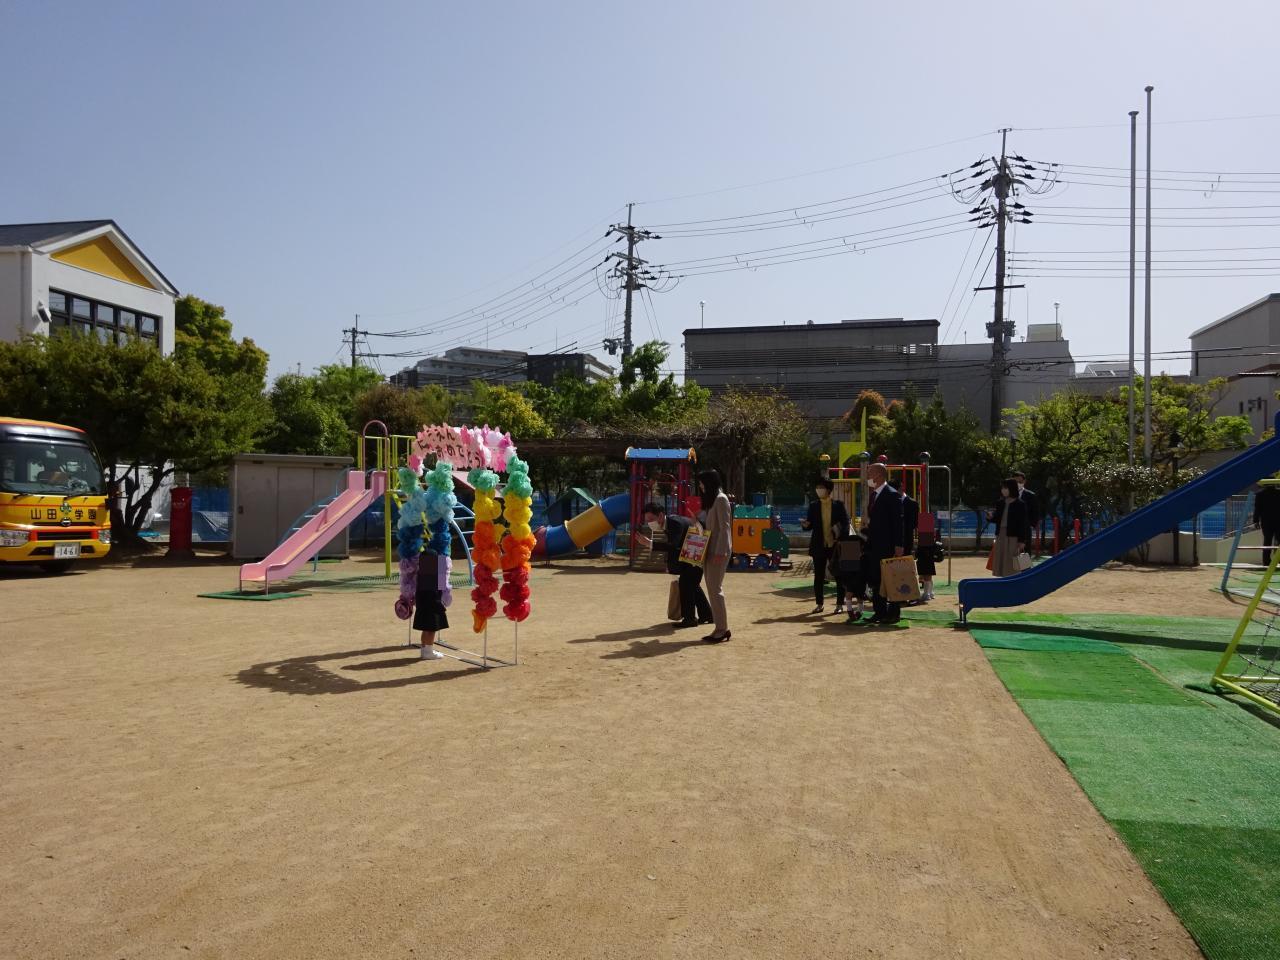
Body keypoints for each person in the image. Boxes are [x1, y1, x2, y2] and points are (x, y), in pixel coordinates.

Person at [639, 501, 712, 628]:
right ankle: (707, 615)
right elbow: (676, 547)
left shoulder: (674, 523)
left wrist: (650, 543)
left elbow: (673, 545)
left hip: (696, 550)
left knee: (686, 584)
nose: (649, 523)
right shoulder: (669, 523)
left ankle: (690, 619)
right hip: (693, 551)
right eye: (647, 520)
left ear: (660, 515)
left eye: (651, 519)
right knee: (692, 585)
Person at [860, 463, 905, 624]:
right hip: (874, 544)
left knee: (891, 579)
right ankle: (879, 612)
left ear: (878, 475)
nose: (867, 476)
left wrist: (898, 545)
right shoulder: (874, 495)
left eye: (870, 472)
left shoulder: (891, 494)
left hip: (888, 545)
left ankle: (894, 613)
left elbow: (898, 522)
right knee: (876, 579)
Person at [800, 477, 850, 615]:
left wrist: (840, 536)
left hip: (835, 545)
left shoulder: (838, 505)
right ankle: (819, 604)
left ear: (828, 489)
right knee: (819, 576)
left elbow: (846, 523)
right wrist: (805, 525)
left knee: (839, 575)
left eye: (821, 487)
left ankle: (839, 604)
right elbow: (809, 525)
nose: (818, 490)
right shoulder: (813, 505)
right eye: (817, 487)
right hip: (819, 545)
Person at [698, 469, 733, 643]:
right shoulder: (713, 500)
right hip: (709, 548)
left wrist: (721, 552)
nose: (700, 486)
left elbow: (725, 527)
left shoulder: (721, 499)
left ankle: (722, 629)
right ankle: (719, 627)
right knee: (712, 589)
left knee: (715, 589)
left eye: (702, 482)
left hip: (718, 551)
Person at [990, 478, 1031, 578]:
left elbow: (1022, 523)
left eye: (1005, 488)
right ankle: (1002, 578)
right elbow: (997, 519)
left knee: (1011, 558)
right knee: (1001, 556)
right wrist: (990, 517)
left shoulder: (1020, 504)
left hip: (1013, 536)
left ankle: (1012, 579)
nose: (1003, 490)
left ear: (1011, 488)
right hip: (1001, 534)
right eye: (1002, 488)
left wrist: (1022, 540)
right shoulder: (1000, 502)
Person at [414, 549, 449, 661]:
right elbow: (434, 593)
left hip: (423, 607)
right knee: (431, 629)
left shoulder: (422, 574)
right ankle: (428, 652)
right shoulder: (430, 577)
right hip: (432, 607)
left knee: (425, 629)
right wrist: (440, 605)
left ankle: (424, 650)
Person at [1254, 482, 1280, 566]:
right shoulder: (1278, 493)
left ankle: (1266, 561)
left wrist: (1256, 521)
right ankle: (1278, 559)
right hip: (1278, 520)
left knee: (1267, 540)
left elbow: (1257, 509)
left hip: (1266, 521)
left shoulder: (1260, 494)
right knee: (1278, 540)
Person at [1013, 471, 1040, 551]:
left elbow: (1035, 512)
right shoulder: (1007, 495)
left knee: (1025, 552)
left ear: (1024, 481)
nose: (1018, 484)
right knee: (1010, 553)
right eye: (1015, 482)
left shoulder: (1031, 495)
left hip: (1025, 529)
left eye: (1020, 482)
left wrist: (1031, 525)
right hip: (1010, 530)